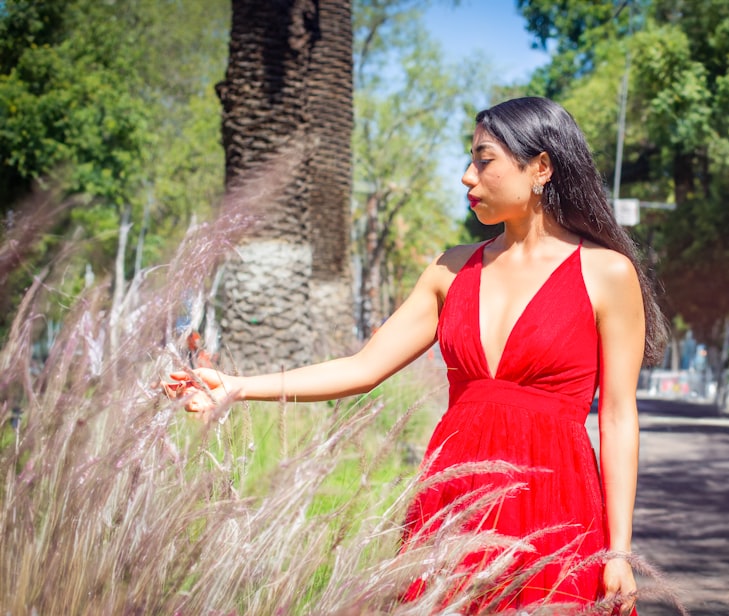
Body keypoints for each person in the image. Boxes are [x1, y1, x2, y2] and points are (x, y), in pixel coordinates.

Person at [165, 96, 667, 614]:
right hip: (451, 505)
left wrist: (619, 551)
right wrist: (238, 387)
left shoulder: (606, 273)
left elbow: (617, 416)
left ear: (540, 167)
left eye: (484, 159)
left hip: (556, 509)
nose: (467, 176)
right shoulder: (449, 271)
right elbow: (362, 368)